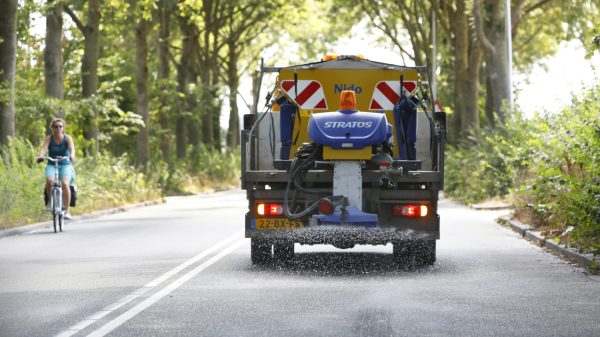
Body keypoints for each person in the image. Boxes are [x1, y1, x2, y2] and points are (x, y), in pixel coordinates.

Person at [36, 118, 77, 220]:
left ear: (63, 128)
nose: (58, 128)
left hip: (65, 164)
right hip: (52, 163)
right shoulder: (49, 139)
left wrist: (72, 156)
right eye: (56, 126)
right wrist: (41, 156)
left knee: (65, 183)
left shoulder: (67, 138)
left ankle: (67, 210)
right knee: (50, 180)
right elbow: (44, 148)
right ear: (52, 128)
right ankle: (50, 202)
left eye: (60, 126)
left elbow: (72, 149)